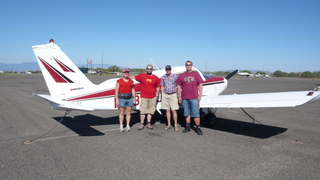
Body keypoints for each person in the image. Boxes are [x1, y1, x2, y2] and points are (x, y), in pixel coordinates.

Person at [176, 60, 204, 135]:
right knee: (186, 113)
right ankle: (188, 127)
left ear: (191, 66)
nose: (188, 66)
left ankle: (198, 127)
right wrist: (179, 96)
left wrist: (200, 96)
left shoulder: (196, 74)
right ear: (185, 66)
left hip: (194, 97)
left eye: (189, 65)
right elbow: (178, 86)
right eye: (187, 65)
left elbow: (200, 85)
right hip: (185, 98)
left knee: (196, 114)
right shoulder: (182, 75)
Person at [130, 65, 160, 130]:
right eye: (148, 69)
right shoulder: (142, 76)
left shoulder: (155, 77)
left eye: (150, 69)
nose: (149, 70)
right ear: (146, 69)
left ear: (152, 70)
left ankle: (148, 123)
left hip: (152, 97)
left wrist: (157, 93)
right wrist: (126, 77)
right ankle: (142, 123)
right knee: (142, 111)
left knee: (150, 111)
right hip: (144, 96)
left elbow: (157, 86)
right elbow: (133, 77)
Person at [160, 65, 179, 132]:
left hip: (173, 94)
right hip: (165, 94)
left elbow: (178, 85)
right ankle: (169, 124)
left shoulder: (175, 76)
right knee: (167, 111)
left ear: (170, 70)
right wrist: (162, 94)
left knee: (174, 110)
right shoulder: (163, 77)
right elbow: (162, 86)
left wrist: (178, 93)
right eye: (167, 70)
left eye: (169, 69)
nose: (168, 71)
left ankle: (175, 125)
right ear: (165, 70)